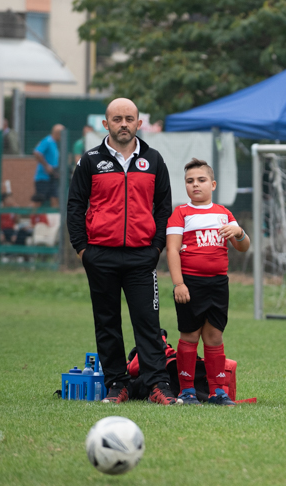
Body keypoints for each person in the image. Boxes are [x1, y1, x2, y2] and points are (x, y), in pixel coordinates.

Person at [67, 97, 179, 405]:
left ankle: (158, 384)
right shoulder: (90, 160)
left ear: (139, 123)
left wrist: (156, 247)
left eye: (129, 118)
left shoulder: (154, 159)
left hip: (142, 256)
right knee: (107, 323)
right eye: (117, 119)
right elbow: (75, 206)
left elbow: (164, 207)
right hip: (99, 255)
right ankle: (117, 383)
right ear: (106, 124)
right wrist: (82, 249)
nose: (124, 124)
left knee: (148, 323)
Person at [166, 158, 250, 406]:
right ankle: (187, 390)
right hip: (190, 284)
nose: (195, 184)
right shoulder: (181, 213)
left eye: (201, 180)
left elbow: (243, 247)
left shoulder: (224, 213)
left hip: (218, 284)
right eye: (189, 181)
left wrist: (239, 233)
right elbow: (172, 250)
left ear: (212, 184)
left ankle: (217, 391)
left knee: (214, 336)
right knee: (190, 335)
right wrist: (179, 284)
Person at [32, 124, 63, 208]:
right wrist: (46, 166)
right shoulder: (47, 141)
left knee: (54, 199)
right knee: (39, 202)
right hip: (43, 178)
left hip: (52, 177)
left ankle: (55, 217)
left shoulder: (54, 143)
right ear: (57, 133)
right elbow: (37, 152)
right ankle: (30, 215)